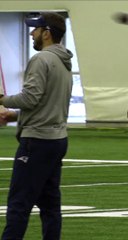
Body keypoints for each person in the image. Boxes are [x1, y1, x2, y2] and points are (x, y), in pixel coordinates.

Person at [0, 12, 73, 240]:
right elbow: (46, 103)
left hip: (37, 141)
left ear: (47, 33)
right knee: (50, 204)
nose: (32, 33)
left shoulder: (41, 59)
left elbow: (30, 99)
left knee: (19, 203)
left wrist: (2, 99)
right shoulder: (64, 62)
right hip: (56, 139)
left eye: (35, 29)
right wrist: (13, 116)